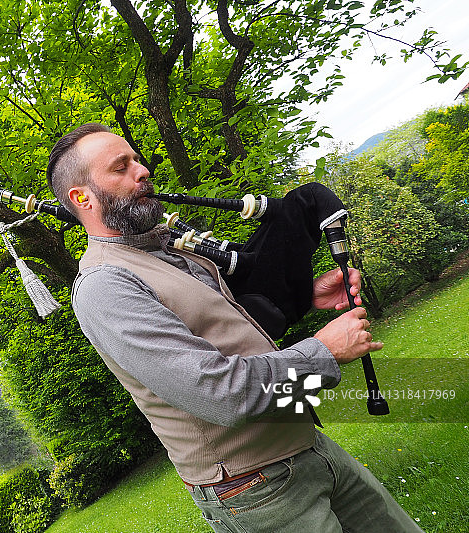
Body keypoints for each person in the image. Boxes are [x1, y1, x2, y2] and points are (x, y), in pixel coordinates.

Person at [46, 123, 422, 532]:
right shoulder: (105, 285)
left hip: (308, 445)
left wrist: (307, 298)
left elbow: (229, 332)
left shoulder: (165, 251)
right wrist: (325, 352)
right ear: (81, 197)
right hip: (255, 489)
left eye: (137, 159)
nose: (143, 170)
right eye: (122, 167)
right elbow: (218, 393)